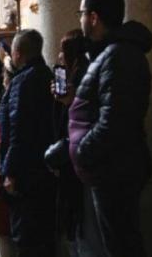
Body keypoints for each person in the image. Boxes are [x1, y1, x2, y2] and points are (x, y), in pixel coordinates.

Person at [69, 0, 152, 257]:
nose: (79, 18)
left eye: (82, 13)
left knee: (121, 245)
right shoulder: (110, 53)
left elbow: (115, 119)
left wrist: (83, 151)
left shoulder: (119, 56)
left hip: (114, 167)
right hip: (109, 166)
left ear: (94, 17)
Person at [0, 29, 57, 256]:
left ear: (17, 53)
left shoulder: (22, 82)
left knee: (27, 238)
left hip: (26, 172)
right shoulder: (48, 74)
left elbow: (17, 129)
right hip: (46, 166)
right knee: (45, 235)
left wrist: (11, 171)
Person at [47, 29, 89, 255]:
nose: (59, 57)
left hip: (77, 161)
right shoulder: (71, 77)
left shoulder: (83, 77)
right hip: (70, 158)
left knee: (82, 228)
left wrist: (69, 101)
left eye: (62, 52)